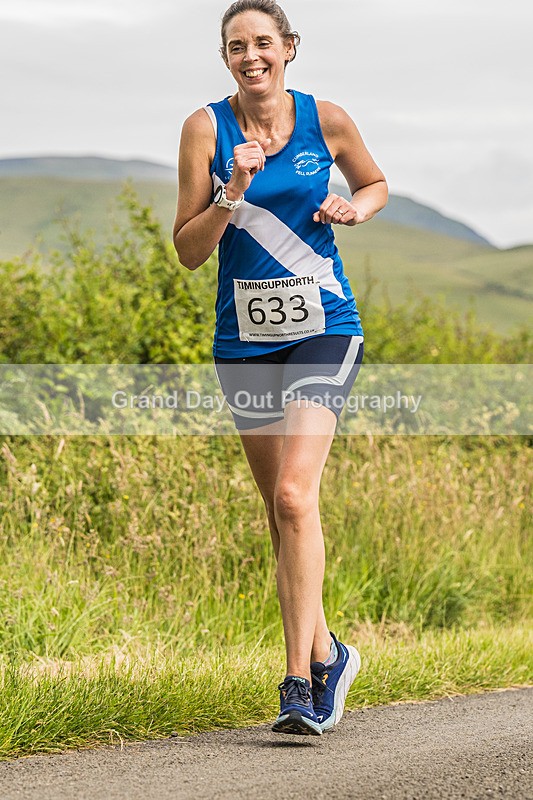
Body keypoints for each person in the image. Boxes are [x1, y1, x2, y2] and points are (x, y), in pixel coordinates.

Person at [173, 0, 387, 736]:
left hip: (324, 327)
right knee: (278, 513)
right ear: (225, 56)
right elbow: (189, 249)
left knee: (295, 497)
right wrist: (230, 190)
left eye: (263, 42)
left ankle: (298, 680)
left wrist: (355, 209)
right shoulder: (204, 128)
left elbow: (374, 183)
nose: (250, 55)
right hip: (244, 342)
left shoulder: (324, 117)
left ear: (289, 48)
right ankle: (329, 650)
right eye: (237, 46)